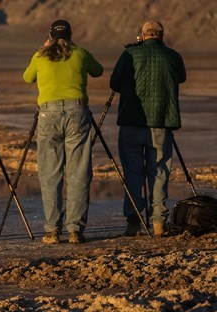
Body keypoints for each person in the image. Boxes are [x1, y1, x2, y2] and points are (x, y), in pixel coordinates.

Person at [23, 19, 103, 244]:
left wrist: (43, 48)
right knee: (78, 173)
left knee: (50, 173)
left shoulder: (40, 56)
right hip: (77, 112)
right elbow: (98, 71)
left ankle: (52, 231)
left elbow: (27, 78)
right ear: (70, 35)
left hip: (48, 115)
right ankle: (75, 230)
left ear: (50, 35)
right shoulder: (80, 53)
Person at [110, 20, 186, 237]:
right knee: (159, 172)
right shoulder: (172, 56)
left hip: (131, 124)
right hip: (161, 123)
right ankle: (159, 222)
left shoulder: (129, 55)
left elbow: (114, 84)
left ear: (142, 36)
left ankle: (133, 223)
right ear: (161, 36)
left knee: (133, 173)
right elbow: (181, 77)